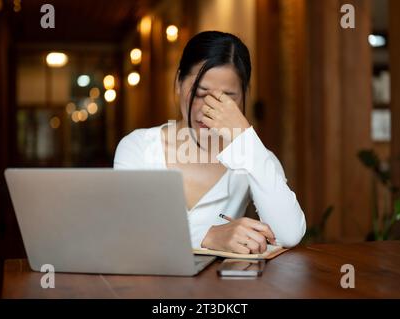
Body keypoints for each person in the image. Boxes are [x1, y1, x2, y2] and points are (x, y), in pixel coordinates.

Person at [114, 31, 306, 254]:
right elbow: (127, 230)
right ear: (178, 83)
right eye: (200, 92)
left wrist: (245, 137)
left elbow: (289, 234)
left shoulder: (254, 157)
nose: (208, 107)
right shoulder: (138, 147)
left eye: (228, 97)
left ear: (244, 95)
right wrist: (208, 235)